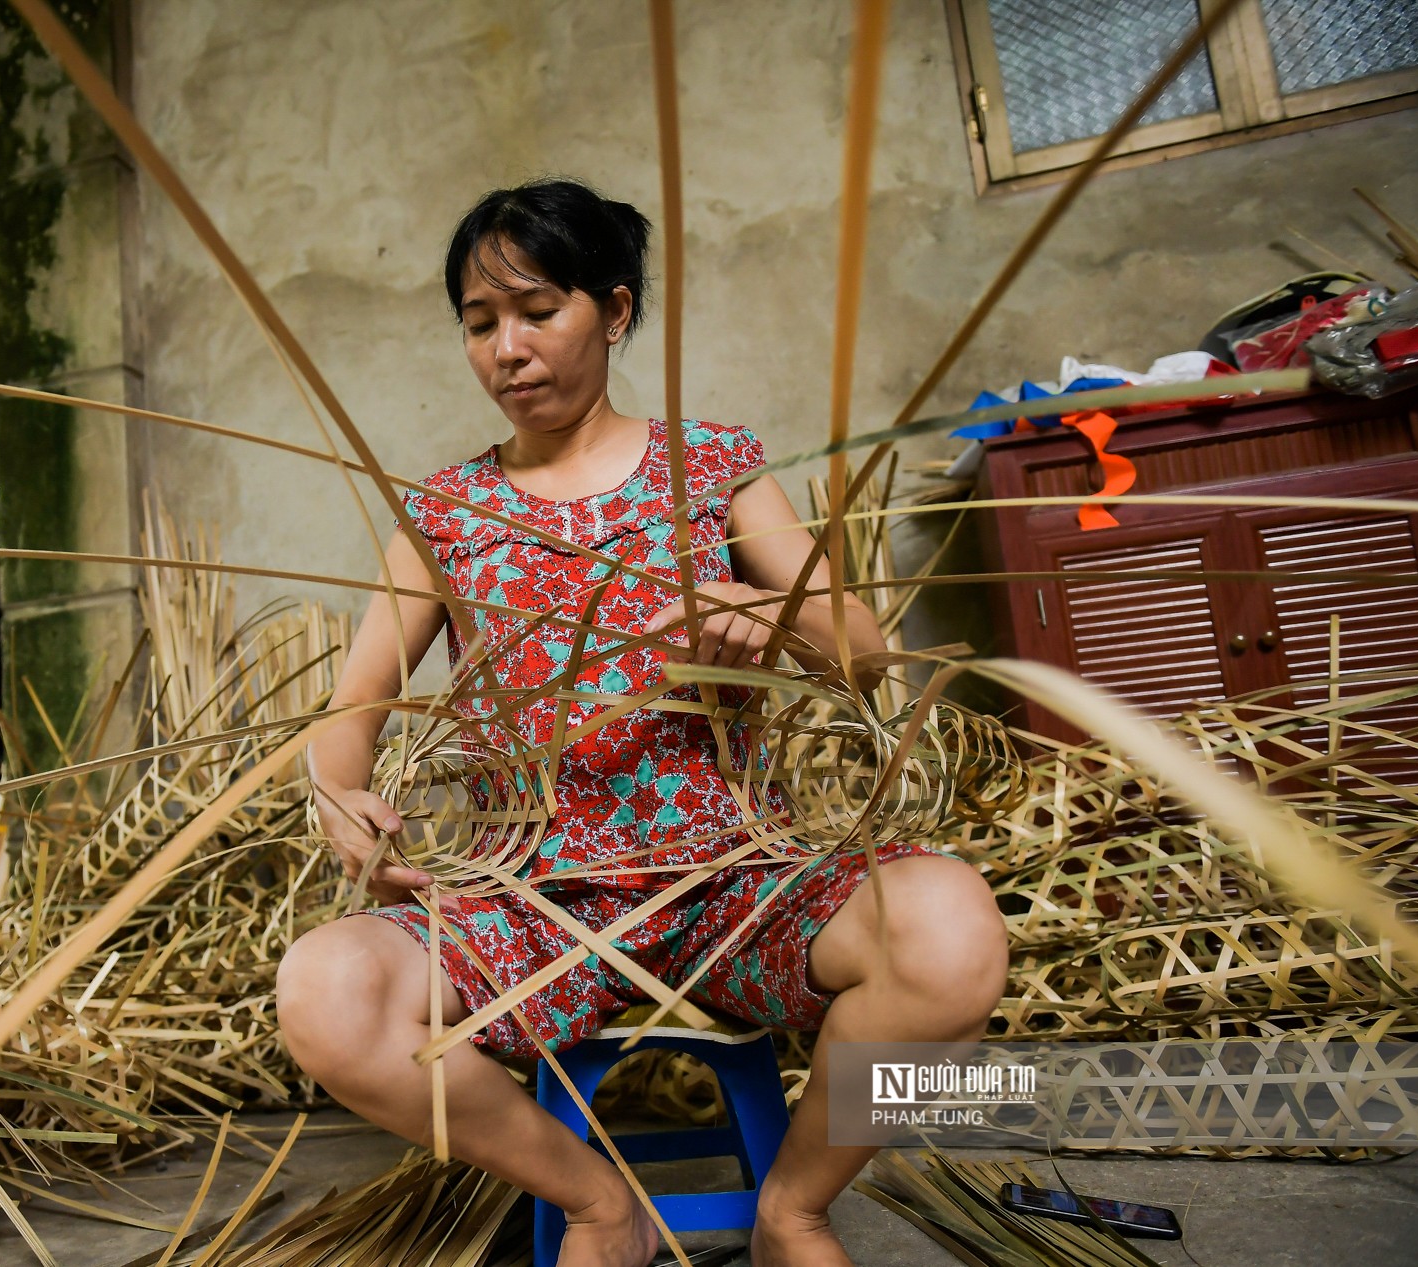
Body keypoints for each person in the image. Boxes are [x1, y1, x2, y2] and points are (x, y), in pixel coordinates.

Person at [276, 179, 1008, 1267]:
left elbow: (862, 651)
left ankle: (796, 1203)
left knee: (958, 935)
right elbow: (351, 714)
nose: (506, 350)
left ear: (614, 312)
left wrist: (763, 609)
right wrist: (340, 797)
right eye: (479, 325)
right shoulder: (442, 516)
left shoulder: (711, 468)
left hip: (737, 880)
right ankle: (595, 1203)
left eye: (538, 312)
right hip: (528, 902)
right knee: (322, 995)